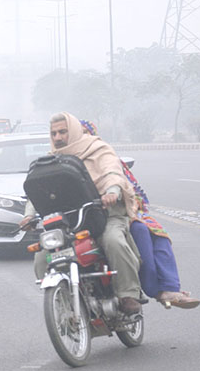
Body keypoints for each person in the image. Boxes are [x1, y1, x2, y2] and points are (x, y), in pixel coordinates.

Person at [20, 112, 143, 315]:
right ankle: (60, 301)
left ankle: (127, 294)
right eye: (54, 133)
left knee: (113, 241)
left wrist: (112, 192)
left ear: (75, 131)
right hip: (70, 222)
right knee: (42, 256)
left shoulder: (98, 149)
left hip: (105, 215)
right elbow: (37, 192)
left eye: (63, 132)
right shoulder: (52, 160)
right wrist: (28, 215)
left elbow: (112, 172)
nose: (58, 137)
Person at [77, 119, 200, 309]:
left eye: (88, 133)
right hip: (90, 218)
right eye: (80, 133)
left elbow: (123, 184)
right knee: (139, 231)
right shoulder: (66, 159)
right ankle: (153, 288)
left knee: (157, 233)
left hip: (122, 210)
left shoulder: (104, 155)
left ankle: (168, 288)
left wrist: (121, 201)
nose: (85, 137)